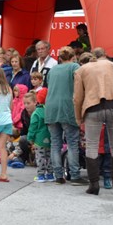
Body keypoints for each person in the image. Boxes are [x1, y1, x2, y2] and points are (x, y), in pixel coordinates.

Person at [73, 51, 113, 196]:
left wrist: (78, 117)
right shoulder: (110, 64)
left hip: (93, 107)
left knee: (92, 145)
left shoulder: (81, 70)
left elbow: (77, 97)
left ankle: (94, 184)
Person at [46, 47, 84, 185]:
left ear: (60, 57)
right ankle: (74, 175)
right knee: (72, 142)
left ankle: (58, 175)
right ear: (73, 56)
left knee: (55, 143)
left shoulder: (53, 69)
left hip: (51, 108)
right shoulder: (74, 67)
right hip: (67, 107)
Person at [24, 91, 51, 182]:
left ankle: (41, 175)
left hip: (39, 140)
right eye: (25, 103)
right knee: (49, 157)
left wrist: (30, 139)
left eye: (28, 103)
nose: (26, 105)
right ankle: (50, 174)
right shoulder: (46, 110)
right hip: (49, 137)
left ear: (36, 102)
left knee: (40, 157)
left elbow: (33, 128)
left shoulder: (35, 114)